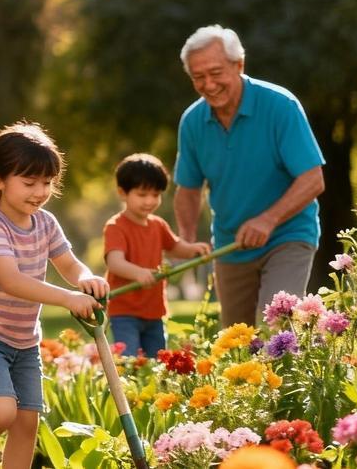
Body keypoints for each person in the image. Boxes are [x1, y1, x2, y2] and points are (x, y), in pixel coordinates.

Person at [0, 122, 108, 469]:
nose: (40, 191)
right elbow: (12, 281)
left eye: (47, 182)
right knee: (1, 412)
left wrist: (86, 278)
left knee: (26, 423)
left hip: (24, 338)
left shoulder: (45, 223)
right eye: (29, 183)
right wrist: (68, 299)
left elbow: (69, 264)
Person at [174, 25, 325, 328]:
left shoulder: (281, 106)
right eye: (198, 77)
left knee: (278, 328)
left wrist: (268, 220)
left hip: (287, 236)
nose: (208, 84)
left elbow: (313, 179)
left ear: (239, 65)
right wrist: (186, 240)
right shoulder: (192, 122)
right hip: (231, 245)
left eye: (216, 73)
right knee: (237, 341)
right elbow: (188, 190)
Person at [103, 153, 210, 358]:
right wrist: (138, 273)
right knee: (130, 360)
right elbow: (115, 262)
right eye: (142, 194)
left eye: (155, 194)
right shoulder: (116, 226)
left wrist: (193, 249)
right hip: (124, 311)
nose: (150, 201)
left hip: (154, 310)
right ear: (123, 193)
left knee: (158, 361)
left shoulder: (158, 225)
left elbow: (174, 246)